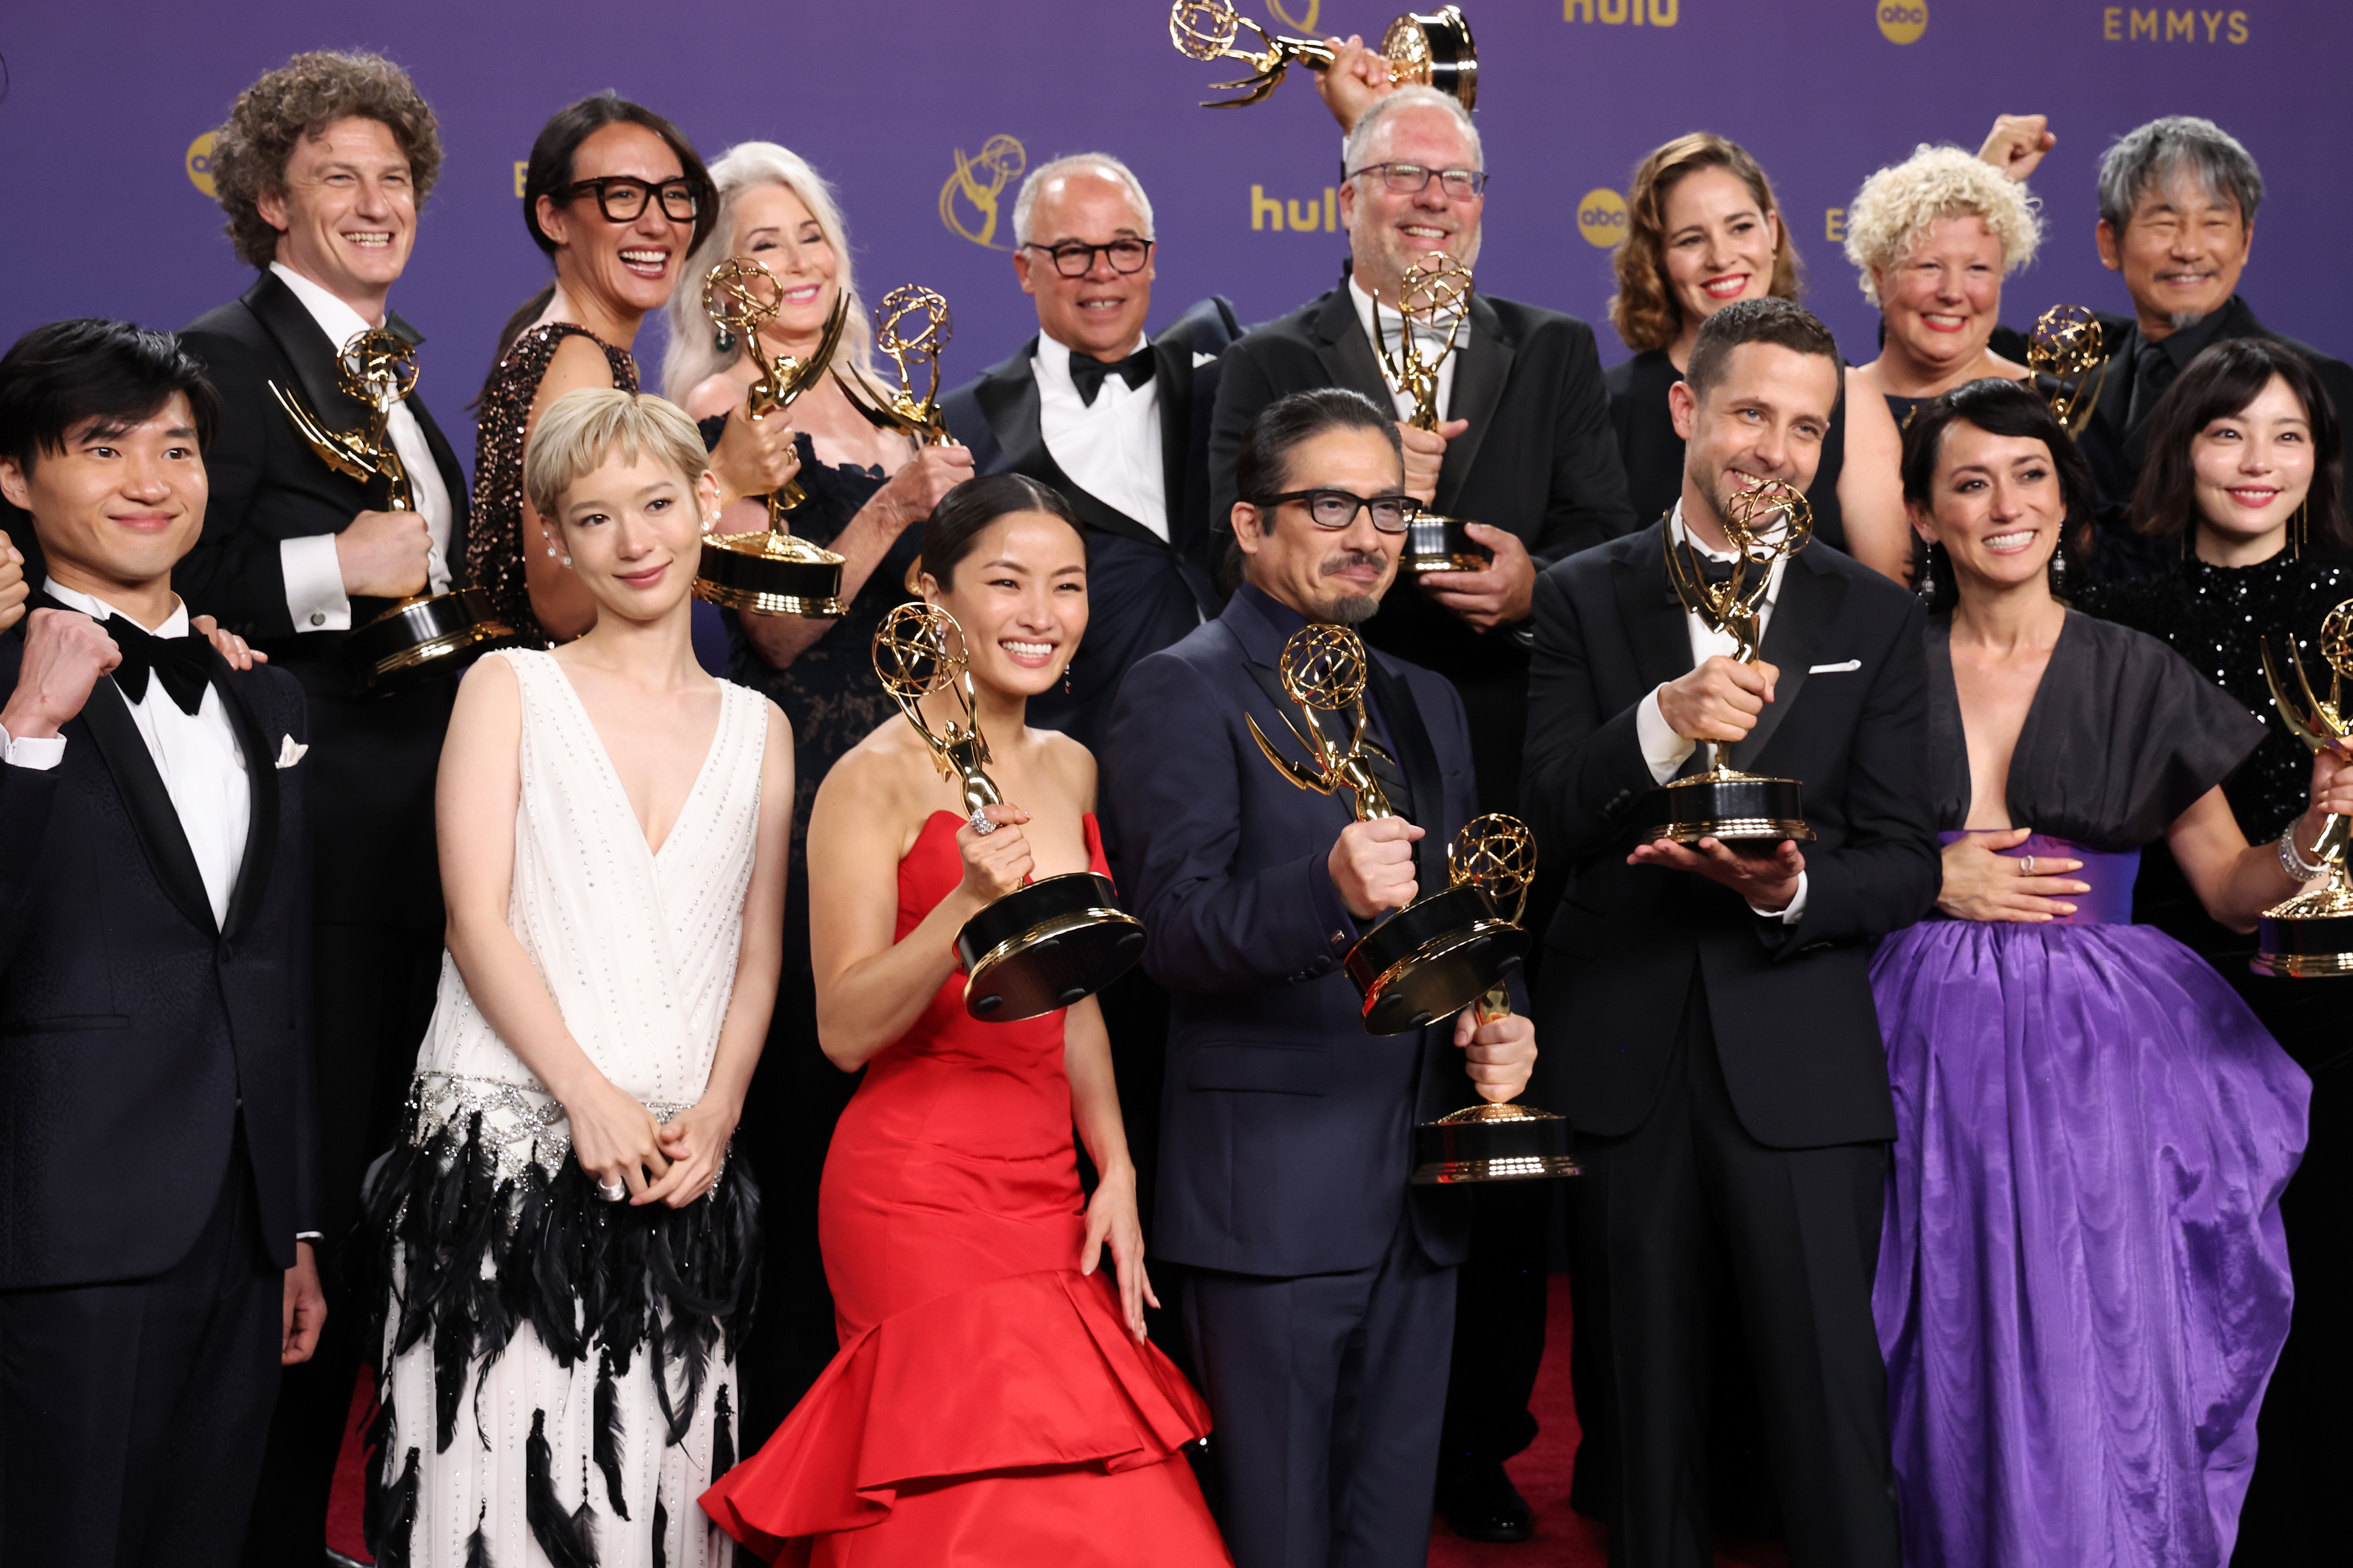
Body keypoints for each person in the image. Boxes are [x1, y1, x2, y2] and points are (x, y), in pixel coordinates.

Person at [1208, 84, 1629, 1536]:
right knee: (1341, 1064)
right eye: (1400, 177)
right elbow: (1234, 537)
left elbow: (1605, 545)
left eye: (1456, 183)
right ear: (1344, 195)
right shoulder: (1269, 356)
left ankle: (1474, 1444)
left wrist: (1529, 589)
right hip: (1316, 767)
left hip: (1496, 760)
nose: (1431, 202)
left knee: (1490, 1091)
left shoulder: (1555, 348)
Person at [703, 473, 1228, 1566]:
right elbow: (844, 1029)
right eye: (1007, 582)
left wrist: (1116, 1169)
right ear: (932, 595)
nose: (1042, 613)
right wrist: (962, 905)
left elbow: (1069, 994)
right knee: (960, 1516)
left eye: (1067, 587)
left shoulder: (1071, 764)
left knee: (1112, 1510)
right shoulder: (870, 779)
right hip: (916, 1192)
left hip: (1048, 1189)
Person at [1872, 376, 2328, 1567]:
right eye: (1968, 482)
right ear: (1924, 514)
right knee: (1936, 1343)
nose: (2003, 504)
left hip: (2093, 1059)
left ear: (2067, 505)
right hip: (1909, 1048)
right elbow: (1820, 859)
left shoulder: (2134, 670)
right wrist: (1928, 879)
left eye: (2029, 476)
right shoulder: (1873, 673)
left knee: (2094, 1337)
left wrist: (2312, 843)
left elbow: (2230, 884)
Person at [1522, 297, 1939, 1567]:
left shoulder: (1870, 616)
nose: (1774, 448)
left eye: (1806, 427)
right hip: (1624, 1061)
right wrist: (1660, 717)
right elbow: (1541, 814)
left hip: (1800, 1067)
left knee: (1826, 1418)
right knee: (1642, 1430)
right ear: (1684, 409)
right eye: (1752, 412)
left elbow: (1905, 861)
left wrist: (1787, 893)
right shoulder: (1578, 597)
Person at [1101, 389, 1541, 1568]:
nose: (1368, 534)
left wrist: (1500, 1024)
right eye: (1330, 504)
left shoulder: (1425, 696)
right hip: (1269, 1211)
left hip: (1421, 1195)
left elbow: (1455, 922)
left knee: (1387, 1544)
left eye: (1389, 507)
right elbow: (1168, 940)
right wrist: (1323, 890)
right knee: (1277, 1541)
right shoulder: (1178, 689)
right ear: (1248, 524)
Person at [362, 388, 791, 1566]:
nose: (636, 540)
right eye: (595, 518)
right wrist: (583, 1094)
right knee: (490, 1506)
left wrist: (719, 1111)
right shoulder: (508, 688)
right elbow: (473, 920)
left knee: (651, 1501)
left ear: (707, 502)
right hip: (499, 1169)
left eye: (657, 503)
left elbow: (756, 949)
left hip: (679, 1172)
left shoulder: (761, 726)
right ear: (553, 536)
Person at [158, 58, 462, 1559]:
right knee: (315, 1228)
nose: (376, 198)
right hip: (318, 854)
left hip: (433, 853)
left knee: (396, 1224)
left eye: (393, 173)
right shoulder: (219, 358)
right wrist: (334, 566)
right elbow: (164, 569)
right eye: (336, 174)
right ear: (269, 200)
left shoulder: (392, 366)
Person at [662, 139, 971, 1446]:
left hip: (935, 776)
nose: (794, 267)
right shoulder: (720, 416)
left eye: (810, 237)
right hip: (813, 779)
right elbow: (782, 633)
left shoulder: (891, 390)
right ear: (714, 283)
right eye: (759, 248)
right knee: (819, 1102)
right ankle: (797, 1432)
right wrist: (898, 504)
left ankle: (924, 1414)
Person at [0, 319, 322, 1567]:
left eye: (176, 448)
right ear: (20, 479)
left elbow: (276, 967)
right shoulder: (3, 687)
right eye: (103, 447)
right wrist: (27, 727)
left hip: (239, 1238)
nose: (149, 480)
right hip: (62, 1226)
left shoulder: (265, 691)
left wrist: (291, 1224)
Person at [2071, 339, 2353, 1565]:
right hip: (2187, 996)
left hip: (2348, 997)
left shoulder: (2350, 605)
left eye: (2286, 436)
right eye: (2229, 433)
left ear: (2317, 460)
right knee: (2198, 1293)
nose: (2257, 462)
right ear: (2180, 449)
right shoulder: (2115, 623)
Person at [468, 95, 799, 648]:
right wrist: (726, 479)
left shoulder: (581, 349)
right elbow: (562, 604)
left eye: (674, 197)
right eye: (622, 196)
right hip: (562, 716)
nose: (657, 224)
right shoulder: (577, 360)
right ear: (554, 218)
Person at [940, 152, 1239, 756]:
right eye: (1073, 252)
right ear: (1026, 269)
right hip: (1074, 757)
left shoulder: (1226, 373)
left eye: (1123, 247)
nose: (1103, 273)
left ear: (1150, 259)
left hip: (1243, 739)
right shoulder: (962, 425)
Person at [2014, 116, 2353, 581]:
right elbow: (1927, 327)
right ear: (2109, 243)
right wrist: (1991, 181)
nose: (2190, 249)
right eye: (2165, 222)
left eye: (2214, 222)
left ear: (2246, 240)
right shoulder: (2077, 364)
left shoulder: (2315, 381)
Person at [1603, 132, 1911, 582]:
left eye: (1740, 227)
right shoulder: (1609, 405)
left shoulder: (1854, 398)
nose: (1722, 257)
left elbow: (1887, 600)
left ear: (1772, 230)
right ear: (1656, 259)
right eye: (1691, 240)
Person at [1845, 144, 2044, 426]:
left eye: (1977, 269)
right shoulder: (1827, 405)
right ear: (1879, 275)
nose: (1952, 293)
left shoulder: (2051, 408)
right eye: (1929, 267)